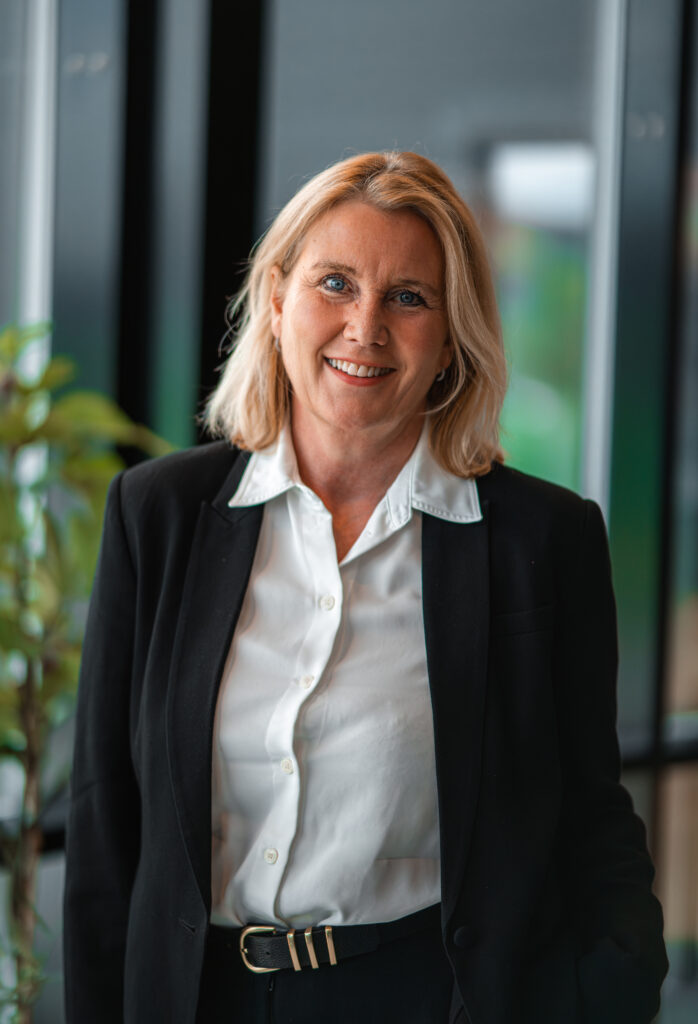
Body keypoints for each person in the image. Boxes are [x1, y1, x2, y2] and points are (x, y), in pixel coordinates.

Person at [63, 151, 667, 1024]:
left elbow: (591, 818)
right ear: (277, 300)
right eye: (335, 284)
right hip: (194, 998)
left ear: (452, 337)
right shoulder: (157, 514)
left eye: (408, 297)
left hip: (427, 997)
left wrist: (614, 990)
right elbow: (104, 821)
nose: (365, 326)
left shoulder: (542, 540)